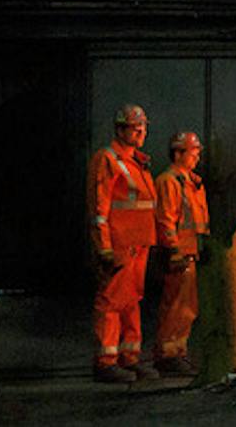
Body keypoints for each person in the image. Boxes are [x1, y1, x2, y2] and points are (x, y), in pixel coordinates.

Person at [88, 104, 158, 383]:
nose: (140, 131)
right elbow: (99, 208)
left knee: (131, 303)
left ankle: (129, 359)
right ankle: (105, 362)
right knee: (111, 302)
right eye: (134, 127)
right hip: (120, 244)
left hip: (139, 244)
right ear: (120, 130)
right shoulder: (108, 159)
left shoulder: (137, 162)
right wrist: (103, 246)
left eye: (143, 127)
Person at [153, 131, 209, 377]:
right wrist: (173, 250)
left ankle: (178, 351)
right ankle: (167, 355)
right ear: (178, 153)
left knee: (187, 306)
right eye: (193, 151)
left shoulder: (192, 182)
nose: (197, 155)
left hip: (190, 252)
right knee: (176, 305)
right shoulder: (170, 181)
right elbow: (166, 219)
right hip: (178, 254)